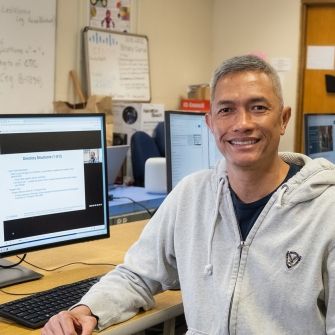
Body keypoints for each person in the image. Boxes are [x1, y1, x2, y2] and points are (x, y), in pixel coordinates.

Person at [42, 55, 335, 335]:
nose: (242, 123)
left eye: (258, 107)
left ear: (283, 119)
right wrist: (86, 310)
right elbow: (138, 275)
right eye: (226, 110)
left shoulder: (327, 212)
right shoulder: (191, 196)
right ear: (210, 124)